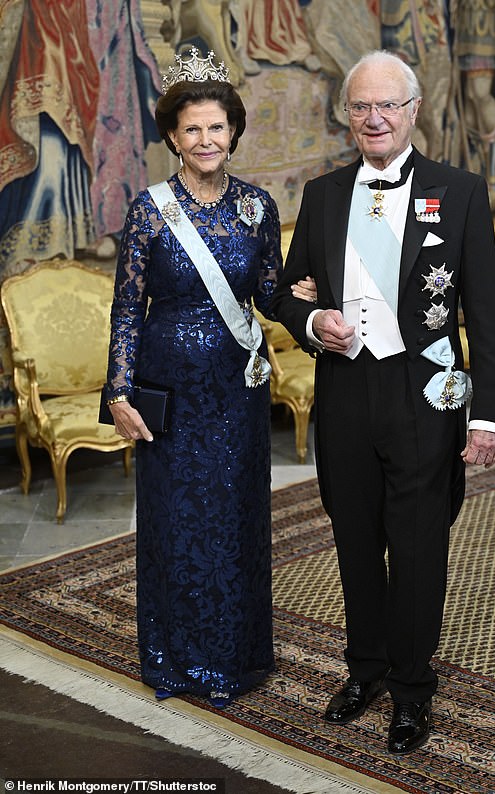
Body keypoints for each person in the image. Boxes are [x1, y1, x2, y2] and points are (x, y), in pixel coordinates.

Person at [270, 50, 495, 754]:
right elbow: (287, 290)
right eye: (360, 107)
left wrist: (488, 412)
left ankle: (411, 691)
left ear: (412, 112)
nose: (373, 118)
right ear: (348, 116)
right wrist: (313, 323)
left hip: (425, 394)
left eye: (387, 106)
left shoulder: (459, 191)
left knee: (417, 550)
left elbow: (485, 316)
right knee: (352, 543)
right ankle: (364, 671)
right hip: (345, 391)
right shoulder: (321, 195)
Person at [104, 47, 286, 706]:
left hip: (238, 389)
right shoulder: (150, 211)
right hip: (170, 392)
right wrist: (119, 391)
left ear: (233, 131)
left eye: (216, 127)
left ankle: (236, 659)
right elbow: (128, 308)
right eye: (192, 129)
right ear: (173, 138)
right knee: (175, 522)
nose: (206, 139)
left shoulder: (257, 208)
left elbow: (269, 292)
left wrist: (310, 290)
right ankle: (175, 660)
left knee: (236, 518)